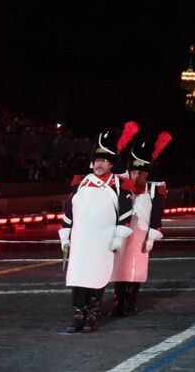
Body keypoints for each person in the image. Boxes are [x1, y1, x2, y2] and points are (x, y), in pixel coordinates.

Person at [60, 125, 136, 333]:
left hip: (103, 240)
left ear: (111, 164)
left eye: (103, 161)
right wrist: (65, 235)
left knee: (96, 276)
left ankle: (92, 314)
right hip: (80, 239)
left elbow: (125, 213)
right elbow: (70, 210)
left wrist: (118, 237)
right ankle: (77, 314)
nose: (98, 164)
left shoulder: (120, 185)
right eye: (96, 160)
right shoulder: (81, 182)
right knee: (78, 276)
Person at [110, 132, 171, 317]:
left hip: (140, 235)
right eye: (134, 172)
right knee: (119, 268)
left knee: (135, 269)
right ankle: (119, 301)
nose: (137, 176)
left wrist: (152, 237)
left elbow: (156, 216)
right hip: (121, 232)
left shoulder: (154, 188)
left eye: (141, 173)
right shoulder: (119, 183)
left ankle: (132, 300)